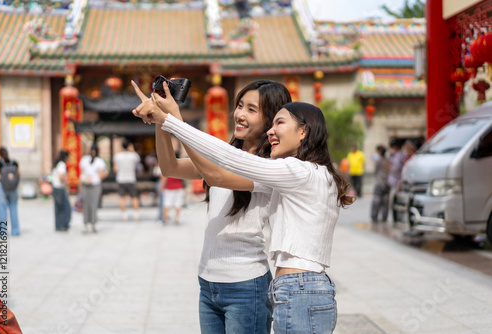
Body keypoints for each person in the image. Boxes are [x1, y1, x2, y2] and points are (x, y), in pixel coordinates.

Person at [133, 82, 354, 334]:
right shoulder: (249, 160)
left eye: (252, 109)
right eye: (239, 106)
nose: (240, 114)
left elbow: (217, 173)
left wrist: (173, 119)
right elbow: (170, 168)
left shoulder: (274, 168)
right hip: (210, 281)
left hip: (247, 284)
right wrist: (161, 120)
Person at [79, 145, 107, 233]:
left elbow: (81, 173)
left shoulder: (84, 159)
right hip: (95, 184)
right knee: (94, 205)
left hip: (86, 184)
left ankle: (85, 224)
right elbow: (101, 175)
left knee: (86, 205)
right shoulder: (100, 161)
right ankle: (92, 225)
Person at [113, 140, 141, 221]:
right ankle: (136, 215)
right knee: (134, 197)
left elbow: (115, 168)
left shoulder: (117, 156)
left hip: (121, 178)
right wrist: (132, 150)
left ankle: (124, 216)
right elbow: (138, 160)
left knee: (122, 197)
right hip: (131, 178)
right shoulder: (133, 155)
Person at [0, 147, 20, 236]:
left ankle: (3, 232)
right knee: (13, 209)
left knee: (2, 210)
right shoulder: (14, 162)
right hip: (13, 188)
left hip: (2, 188)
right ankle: (15, 231)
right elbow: (18, 174)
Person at [52, 150, 72, 231]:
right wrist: (66, 182)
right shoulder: (62, 165)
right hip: (60, 188)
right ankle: (63, 224)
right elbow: (60, 176)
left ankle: (58, 225)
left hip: (55, 187)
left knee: (58, 207)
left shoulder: (57, 164)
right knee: (64, 207)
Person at [370, 145, 390, 222]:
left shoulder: (378, 160)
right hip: (387, 183)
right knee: (385, 201)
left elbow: (375, 171)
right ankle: (384, 217)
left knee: (376, 201)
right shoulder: (387, 160)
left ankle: (374, 217)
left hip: (379, 183)